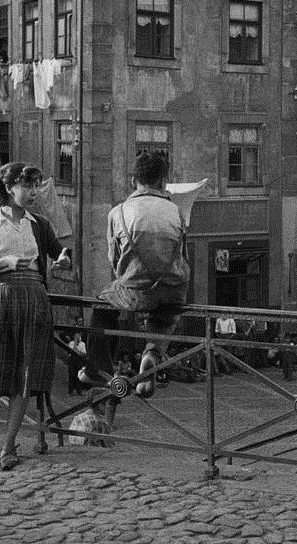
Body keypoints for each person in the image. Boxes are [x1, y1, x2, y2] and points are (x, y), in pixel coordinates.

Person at [0, 163, 71, 472]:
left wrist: (62, 260)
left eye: (36, 186)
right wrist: (5, 262)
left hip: (33, 303)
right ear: (8, 188)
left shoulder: (40, 224)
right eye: (26, 185)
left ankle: (8, 447)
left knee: (24, 377)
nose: (33, 192)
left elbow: (61, 254)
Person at [85, 151, 190, 412]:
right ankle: (152, 353)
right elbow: (183, 256)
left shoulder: (118, 212)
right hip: (174, 290)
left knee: (102, 306)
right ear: (163, 182)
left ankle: (97, 368)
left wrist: (131, 279)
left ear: (134, 181)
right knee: (165, 316)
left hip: (136, 291)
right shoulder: (177, 212)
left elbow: (114, 260)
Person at [66, 317, 86, 396]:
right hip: (72, 360)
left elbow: (83, 353)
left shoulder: (82, 344)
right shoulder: (71, 343)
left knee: (79, 375)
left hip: (79, 360)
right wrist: (75, 345)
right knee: (71, 375)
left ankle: (79, 391)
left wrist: (78, 352)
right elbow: (71, 351)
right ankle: (70, 391)